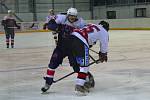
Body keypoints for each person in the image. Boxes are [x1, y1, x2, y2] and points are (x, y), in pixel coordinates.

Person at [41, 7, 89, 93]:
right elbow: (51, 24)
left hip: (73, 49)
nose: (72, 18)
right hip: (61, 48)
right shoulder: (61, 18)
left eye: (74, 16)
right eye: (71, 16)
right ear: (67, 15)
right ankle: (48, 82)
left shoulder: (81, 23)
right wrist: (55, 28)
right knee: (52, 64)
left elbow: (86, 35)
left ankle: (86, 79)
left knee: (77, 67)